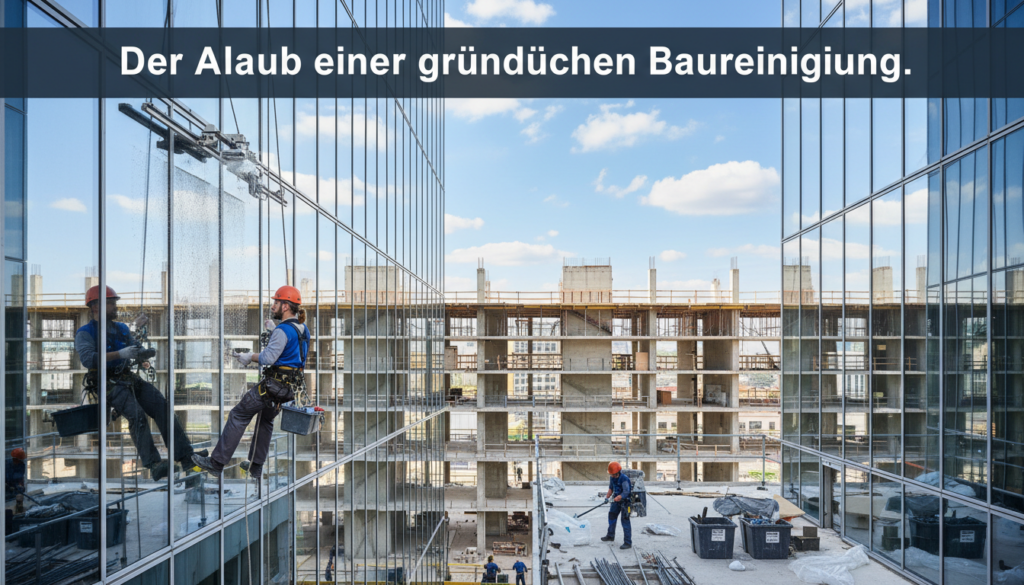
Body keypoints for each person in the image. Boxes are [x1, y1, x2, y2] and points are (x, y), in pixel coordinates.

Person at [75, 285, 196, 481]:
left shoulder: (121, 329)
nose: (116, 307)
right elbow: (88, 359)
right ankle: (154, 464)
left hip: (127, 377)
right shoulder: (85, 333)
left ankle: (186, 456)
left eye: (115, 303)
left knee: (162, 406)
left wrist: (143, 353)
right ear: (96, 306)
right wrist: (120, 354)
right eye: (111, 303)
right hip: (107, 382)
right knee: (136, 415)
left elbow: (134, 346)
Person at [192, 286, 309, 480]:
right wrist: (274, 331)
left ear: (286, 306)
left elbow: (268, 357)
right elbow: (292, 350)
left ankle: (216, 463)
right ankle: (256, 467)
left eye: (276, 303)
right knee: (266, 420)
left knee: (239, 414)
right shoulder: (303, 330)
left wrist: (248, 356)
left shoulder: (282, 330)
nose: (273, 307)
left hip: (273, 386)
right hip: (289, 389)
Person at [599, 461, 632, 549]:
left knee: (625, 521)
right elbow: (611, 488)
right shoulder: (612, 478)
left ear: (618, 472)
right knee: (612, 516)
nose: (612, 476)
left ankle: (628, 542)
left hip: (626, 502)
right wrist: (607, 497)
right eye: (611, 474)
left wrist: (619, 497)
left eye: (613, 474)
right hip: (616, 501)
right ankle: (610, 535)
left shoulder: (624, 478)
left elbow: (626, 492)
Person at [5, 448, 27, 513]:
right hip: (6, 483)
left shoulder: (21, 465)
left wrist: (20, 485)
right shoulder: (7, 464)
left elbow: (20, 477)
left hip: (15, 484)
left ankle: (19, 508)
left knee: (20, 492)